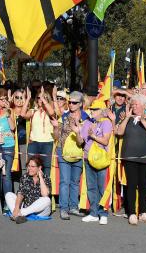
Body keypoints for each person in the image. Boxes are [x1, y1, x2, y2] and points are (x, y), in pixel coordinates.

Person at [115, 94, 146, 225]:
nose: (134, 106)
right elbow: (119, 132)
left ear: (144, 106)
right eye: (132, 104)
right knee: (132, 185)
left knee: (144, 186)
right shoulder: (127, 119)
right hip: (130, 157)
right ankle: (132, 213)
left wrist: (143, 120)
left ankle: (143, 212)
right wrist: (127, 118)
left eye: (136, 104)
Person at [78, 98, 113, 224]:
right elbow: (80, 141)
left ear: (101, 111)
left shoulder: (106, 123)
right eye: (91, 109)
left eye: (95, 109)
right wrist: (77, 131)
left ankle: (103, 213)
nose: (92, 111)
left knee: (101, 187)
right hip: (88, 158)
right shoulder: (87, 122)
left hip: (100, 160)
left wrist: (92, 135)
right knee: (91, 187)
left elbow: (105, 141)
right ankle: (93, 213)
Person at [54, 90, 87, 220]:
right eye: (70, 102)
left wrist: (78, 131)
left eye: (74, 102)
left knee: (75, 182)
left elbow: (81, 141)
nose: (71, 104)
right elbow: (56, 137)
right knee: (65, 181)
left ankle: (73, 207)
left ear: (80, 104)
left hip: (78, 152)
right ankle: (64, 208)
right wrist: (56, 128)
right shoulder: (63, 116)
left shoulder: (86, 118)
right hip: (62, 151)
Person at [6, 155, 51, 223]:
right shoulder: (25, 177)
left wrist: (41, 178)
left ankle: (19, 214)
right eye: (28, 166)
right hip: (26, 206)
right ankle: (17, 214)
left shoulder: (46, 178)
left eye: (32, 166)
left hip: (40, 211)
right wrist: (16, 207)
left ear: (39, 168)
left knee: (47, 200)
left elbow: (45, 194)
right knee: (8, 194)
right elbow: (20, 194)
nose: (30, 168)